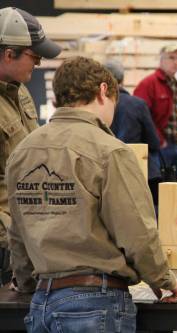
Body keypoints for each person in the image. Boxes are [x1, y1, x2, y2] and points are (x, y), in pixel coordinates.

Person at [6, 56, 177, 332]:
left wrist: (27, 283)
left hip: (42, 302)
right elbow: (136, 231)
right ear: (104, 91)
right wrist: (164, 279)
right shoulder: (110, 151)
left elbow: (18, 233)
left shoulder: (23, 151)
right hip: (95, 305)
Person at [0, 6, 61, 284]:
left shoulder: (18, 91)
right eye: (34, 56)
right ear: (9, 54)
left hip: (24, 239)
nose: (37, 65)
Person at [103, 59, 163, 209]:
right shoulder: (137, 104)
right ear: (122, 79)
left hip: (107, 174)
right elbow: (154, 142)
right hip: (138, 171)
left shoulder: (96, 106)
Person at [134, 45, 177, 180]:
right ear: (161, 60)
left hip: (174, 143)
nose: (176, 62)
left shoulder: (175, 84)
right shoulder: (149, 84)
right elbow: (140, 115)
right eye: (171, 57)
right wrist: (159, 141)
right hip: (158, 147)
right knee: (159, 190)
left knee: (172, 187)